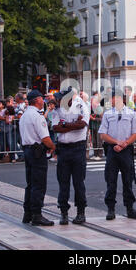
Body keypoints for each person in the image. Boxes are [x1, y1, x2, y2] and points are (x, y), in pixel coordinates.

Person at [98, 92, 136, 221]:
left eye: (111, 98)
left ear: (118, 99)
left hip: (126, 149)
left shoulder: (131, 113)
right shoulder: (107, 114)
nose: (110, 101)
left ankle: (130, 208)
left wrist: (125, 144)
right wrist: (117, 143)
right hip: (112, 149)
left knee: (127, 180)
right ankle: (111, 209)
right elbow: (103, 134)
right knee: (111, 180)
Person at [52, 88, 90, 225]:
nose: (58, 100)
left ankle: (81, 212)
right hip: (63, 148)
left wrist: (66, 125)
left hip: (77, 147)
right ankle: (63, 212)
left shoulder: (80, 105)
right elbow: (55, 127)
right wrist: (72, 125)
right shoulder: (58, 109)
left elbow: (83, 124)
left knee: (79, 182)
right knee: (63, 182)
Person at [19, 90, 56, 226]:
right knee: (39, 184)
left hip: (28, 150)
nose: (44, 101)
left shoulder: (24, 116)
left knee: (30, 184)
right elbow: (45, 138)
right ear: (37, 100)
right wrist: (53, 147)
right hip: (37, 151)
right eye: (42, 98)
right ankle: (37, 214)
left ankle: (27, 213)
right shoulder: (37, 116)